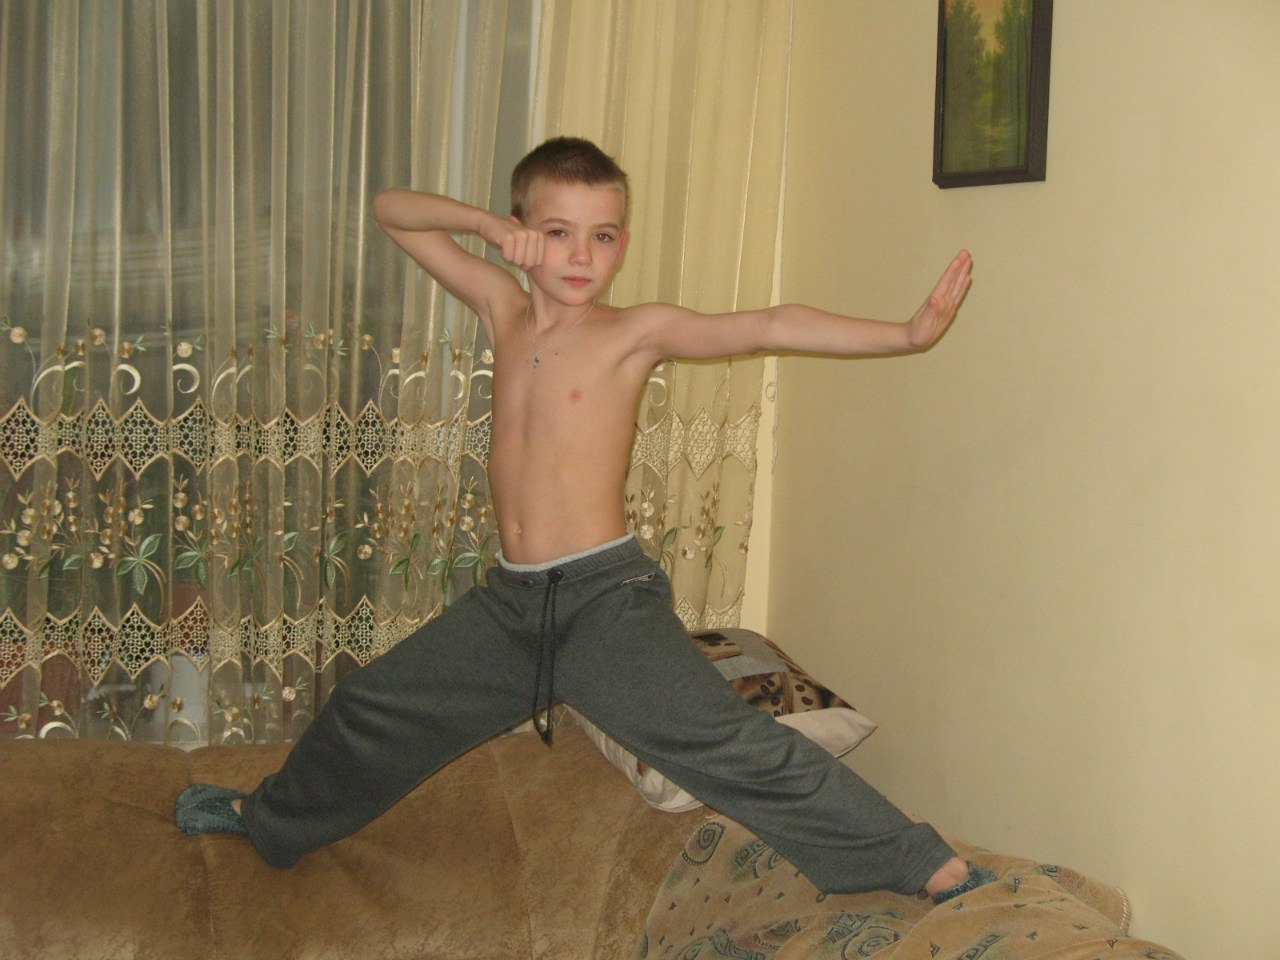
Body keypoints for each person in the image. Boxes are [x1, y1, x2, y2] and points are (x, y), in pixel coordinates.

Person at [176, 136, 989, 903]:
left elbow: (768, 323)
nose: (580, 255)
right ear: (521, 232)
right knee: (368, 707)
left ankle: (916, 860)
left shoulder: (632, 332)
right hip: (511, 607)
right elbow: (393, 210)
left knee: (726, 743)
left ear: (621, 246)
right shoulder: (500, 306)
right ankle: (270, 822)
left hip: (606, 602)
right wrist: (482, 226)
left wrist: (906, 335)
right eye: (557, 232)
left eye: (602, 237)